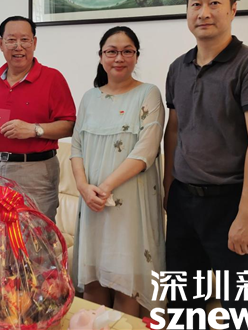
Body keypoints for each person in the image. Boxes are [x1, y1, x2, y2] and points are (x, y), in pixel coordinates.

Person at [164, 0, 248, 329]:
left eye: (214, 3)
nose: (204, 12)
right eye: (195, 4)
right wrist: (169, 187)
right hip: (184, 201)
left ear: (232, 10)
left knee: (242, 311)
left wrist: (247, 216)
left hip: (232, 202)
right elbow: (175, 129)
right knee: (182, 304)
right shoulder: (178, 68)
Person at [70, 26, 165, 317]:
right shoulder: (90, 97)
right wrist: (84, 188)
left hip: (129, 205)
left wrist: (104, 187)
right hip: (92, 202)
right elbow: (76, 147)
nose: (119, 58)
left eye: (127, 51)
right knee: (93, 281)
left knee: (127, 283)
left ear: (136, 56)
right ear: (101, 56)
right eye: (111, 51)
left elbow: (146, 150)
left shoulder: (148, 94)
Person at [0, 16, 76, 221]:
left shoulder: (53, 78)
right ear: (1, 44)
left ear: (34, 43)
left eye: (25, 40)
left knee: (37, 233)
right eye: (11, 40)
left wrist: (34, 129)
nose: (18, 46)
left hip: (37, 171)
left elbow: (69, 125)